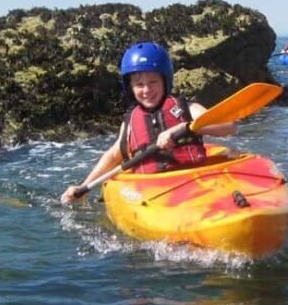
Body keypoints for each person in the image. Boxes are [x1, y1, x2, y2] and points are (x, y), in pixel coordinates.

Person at [61, 42, 237, 204]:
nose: (146, 90)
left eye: (153, 82)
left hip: (194, 180)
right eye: (139, 84)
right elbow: (114, 156)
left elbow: (229, 126)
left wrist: (181, 128)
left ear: (164, 81)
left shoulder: (188, 109)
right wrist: (83, 188)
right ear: (130, 88)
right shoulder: (130, 122)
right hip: (153, 192)